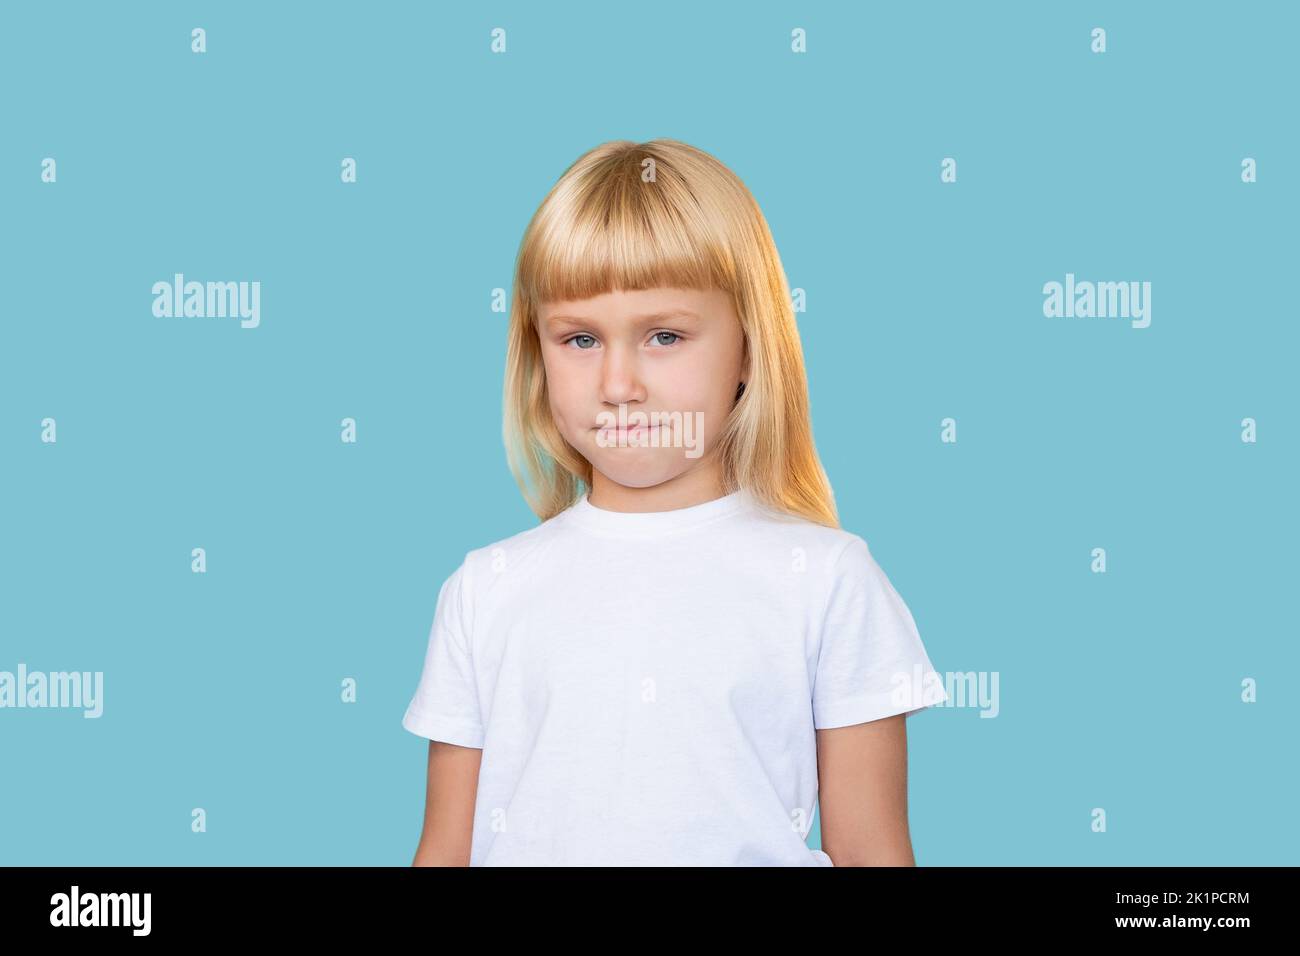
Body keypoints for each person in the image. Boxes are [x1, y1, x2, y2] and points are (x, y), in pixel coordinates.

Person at [402, 138, 949, 866]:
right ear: (536, 355)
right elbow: (446, 849)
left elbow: (872, 851)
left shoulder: (827, 579)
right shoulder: (485, 589)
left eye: (664, 335)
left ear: (751, 350)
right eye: (580, 339)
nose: (619, 384)